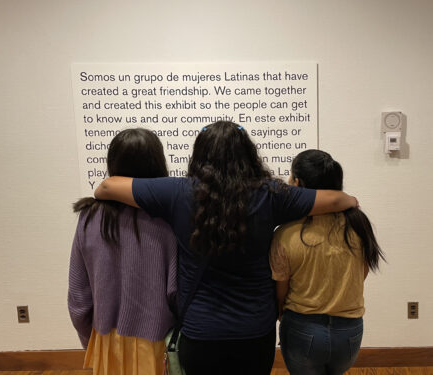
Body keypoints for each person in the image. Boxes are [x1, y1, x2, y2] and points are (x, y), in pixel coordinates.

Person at [94, 121, 359, 375]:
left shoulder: (176, 192)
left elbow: (105, 187)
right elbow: (339, 199)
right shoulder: (271, 195)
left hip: (200, 332)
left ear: (199, 154)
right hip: (255, 331)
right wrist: (351, 200)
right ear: (248, 155)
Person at [68, 128, 178, 375]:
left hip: (107, 339)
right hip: (159, 343)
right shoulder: (167, 219)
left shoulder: (89, 217)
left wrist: (91, 340)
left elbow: (78, 296)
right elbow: (177, 292)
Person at [270, 149, 385, 375]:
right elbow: (360, 275)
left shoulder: (286, 233)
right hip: (350, 331)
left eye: (291, 177)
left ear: (299, 183)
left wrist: (284, 317)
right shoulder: (359, 225)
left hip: (303, 328)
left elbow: (280, 292)